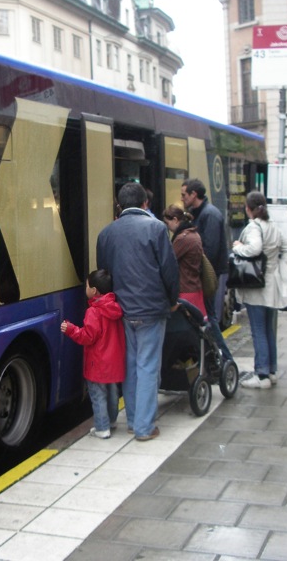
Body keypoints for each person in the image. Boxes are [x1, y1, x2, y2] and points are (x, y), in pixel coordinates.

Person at [97, 182, 180, 441]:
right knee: (147, 366)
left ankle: (133, 421)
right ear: (146, 203)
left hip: (121, 310)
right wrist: (173, 299)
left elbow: (103, 274)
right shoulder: (157, 229)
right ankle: (144, 428)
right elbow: (169, 270)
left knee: (131, 365)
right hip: (152, 309)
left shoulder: (106, 233)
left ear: (119, 206)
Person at [232, 191, 287, 389]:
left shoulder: (254, 227)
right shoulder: (273, 227)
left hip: (256, 288)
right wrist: (278, 269)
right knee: (269, 330)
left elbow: (254, 249)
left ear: (249, 208)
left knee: (258, 331)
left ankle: (261, 374)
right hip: (272, 286)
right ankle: (272, 371)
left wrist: (237, 247)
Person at [61, 269, 125, 438]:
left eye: (87, 285)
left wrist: (70, 329)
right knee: (112, 394)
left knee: (98, 396)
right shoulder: (116, 308)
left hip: (97, 363)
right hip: (113, 362)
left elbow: (87, 337)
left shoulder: (93, 312)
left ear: (94, 291)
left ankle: (102, 428)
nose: (85, 288)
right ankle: (111, 421)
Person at [181, 179, 235, 362]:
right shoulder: (201, 213)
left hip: (207, 276)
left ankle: (224, 358)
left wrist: (194, 273)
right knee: (207, 316)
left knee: (209, 317)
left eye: (184, 195)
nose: (182, 199)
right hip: (205, 274)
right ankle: (213, 358)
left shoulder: (209, 215)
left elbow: (209, 250)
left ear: (194, 195)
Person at [162, 204, 206, 317]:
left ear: (175, 220)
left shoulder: (182, 238)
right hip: (194, 287)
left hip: (185, 290)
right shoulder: (193, 233)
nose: (168, 227)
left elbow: (168, 260)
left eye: (167, 223)